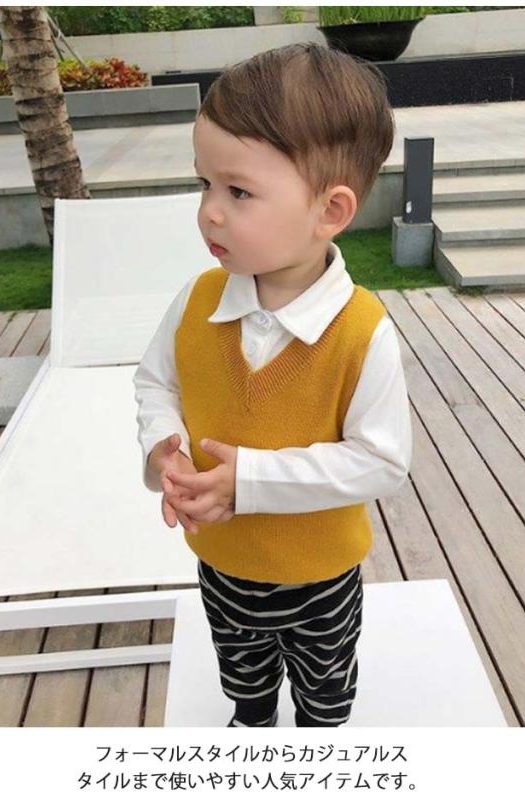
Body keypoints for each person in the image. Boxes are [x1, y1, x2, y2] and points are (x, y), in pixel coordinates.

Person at [133, 42, 412, 728]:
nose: (210, 211)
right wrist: (164, 446)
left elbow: (382, 460)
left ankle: (315, 738)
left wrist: (250, 482)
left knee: (324, 679)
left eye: (238, 192)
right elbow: (156, 382)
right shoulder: (198, 300)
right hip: (221, 560)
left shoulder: (361, 332)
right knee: (241, 665)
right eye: (205, 184)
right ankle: (253, 719)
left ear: (330, 211)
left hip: (320, 575)